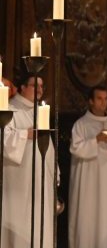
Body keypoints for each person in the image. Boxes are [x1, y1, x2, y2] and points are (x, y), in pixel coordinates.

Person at [69, 86, 107, 248]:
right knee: (87, 216)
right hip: (88, 179)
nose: (103, 103)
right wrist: (96, 140)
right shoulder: (81, 124)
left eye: (106, 99)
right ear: (91, 101)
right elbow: (76, 148)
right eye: (99, 99)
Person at [2, 74, 56, 248]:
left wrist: (54, 173)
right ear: (22, 87)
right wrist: (25, 134)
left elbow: (49, 148)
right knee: (22, 229)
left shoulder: (40, 112)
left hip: (41, 183)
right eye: (35, 86)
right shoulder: (9, 110)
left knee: (40, 227)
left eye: (42, 86)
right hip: (19, 182)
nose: (40, 90)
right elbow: (3, 140)